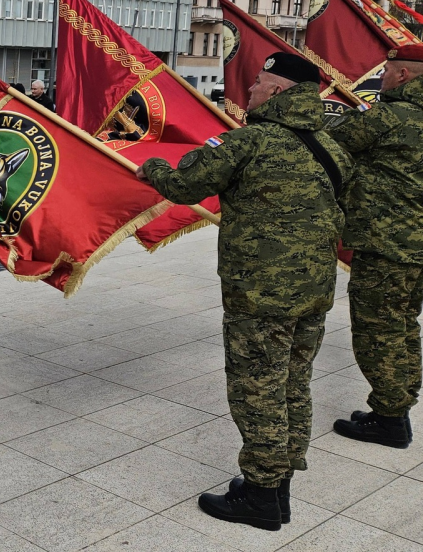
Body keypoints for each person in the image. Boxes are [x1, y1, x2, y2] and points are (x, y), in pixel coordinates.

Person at [137, 52, 350, 531]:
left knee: (258, 390)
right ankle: (278, 489)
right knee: (294, 385)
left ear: (276, 91)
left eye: (257, 82)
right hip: (314, 290)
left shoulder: (249, 143)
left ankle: (258, 496)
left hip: (261, 295)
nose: (248, 90)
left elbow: (185, 184)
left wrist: (150, 166)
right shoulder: (331, 147)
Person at [326, 44, 423, 449]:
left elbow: (332, 140)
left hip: (388, 247)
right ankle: (396, 407)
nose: (380, 79)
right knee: (404, 326)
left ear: (403, 76)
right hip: (417, 250)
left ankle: (389, 418)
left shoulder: (390, 116)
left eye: (386, 72)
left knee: (378, 330)